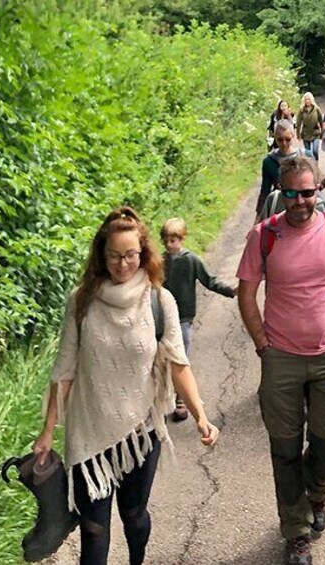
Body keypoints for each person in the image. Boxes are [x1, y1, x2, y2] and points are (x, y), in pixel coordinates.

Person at [32, 206, 220, 565]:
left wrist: (200, 416)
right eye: (115, 256)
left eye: (131, 255)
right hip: (89, 433)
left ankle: (137, 558)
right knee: (94, 529)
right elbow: (64, 371)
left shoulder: (158, 300)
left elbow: (179, 366)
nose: (123, 264)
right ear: (102, 256)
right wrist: (47, 432)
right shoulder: (81, 301)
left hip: (141, 432)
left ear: (144, 253)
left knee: (134, 517)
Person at [237, 156, 325, 565]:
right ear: (281, 192)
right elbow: (246, 292)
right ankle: (296, 532)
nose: (299, 201)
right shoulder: (264, 236)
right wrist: (261, 343)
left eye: (307, 192)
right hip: (282, 359)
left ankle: (317, 494)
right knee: (285, 449)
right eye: (290, 193)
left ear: (318, 189)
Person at [161, 217, 237, 421]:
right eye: (166, 240)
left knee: (180, 357)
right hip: (162, 318)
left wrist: (229, 290)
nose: (169, 244)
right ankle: (161, 398)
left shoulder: (191, 260)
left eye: (173, 240)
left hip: (184, 318)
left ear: (183, 238)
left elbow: (209, 280)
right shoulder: (159, 262)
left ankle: (180, 399)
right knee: (160, 359)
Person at [256, 119, 314, 215]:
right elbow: (265, 191)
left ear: (293, 136)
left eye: (287, 139)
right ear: (274, 137)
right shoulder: (269, 161)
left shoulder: (306, 156)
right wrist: (259, 216)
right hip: (280, 207)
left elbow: (317, 182)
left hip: (304, 204)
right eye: (280, 139)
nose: (284, 143)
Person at [296, 92, 323, 162]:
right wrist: (298, 134)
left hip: (315, 133)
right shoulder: (301, 110)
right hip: (305, 134)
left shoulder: (316, 109)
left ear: (312, 100)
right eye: (306, 99)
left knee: (315, 150)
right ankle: (311, 165)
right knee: (308, 153)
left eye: (309, 99)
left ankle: (316, 162)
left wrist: (322, 132)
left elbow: (321, 121)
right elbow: (298, 123)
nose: (307, 101)